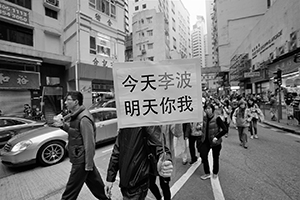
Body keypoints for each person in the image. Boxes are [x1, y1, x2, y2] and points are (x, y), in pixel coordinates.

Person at [53, 91, 109, 200]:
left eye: (68, 100)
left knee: (69, 193)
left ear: (76, 102)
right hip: (81, 157)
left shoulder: (84, 119)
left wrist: (88, 164)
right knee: (97, 186)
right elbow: (74, 132)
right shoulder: (75, 116)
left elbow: (89, 143)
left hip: (81, 161)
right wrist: (62, 125)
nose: (65, 102)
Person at [105, 126, 173, 200]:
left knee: (163, 185)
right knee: (153, 185)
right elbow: (117, 151)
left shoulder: (144, 120)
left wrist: (165, 159)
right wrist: (110, 178)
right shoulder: (125, 121)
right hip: (126, 181)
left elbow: (159, 146)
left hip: (137, 182)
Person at [198, 103, 227, 180]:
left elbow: (225, 129)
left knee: (215, 157)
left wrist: (217, 137)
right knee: (203, 156)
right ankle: (207, 173)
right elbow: (204, 128)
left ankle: (215, 172)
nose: (208, 110)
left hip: (215, 142)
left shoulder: (217, 118)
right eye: (206, 108)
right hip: (205, 140)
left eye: (209, 108)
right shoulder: (204, 118)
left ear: (213, 109)